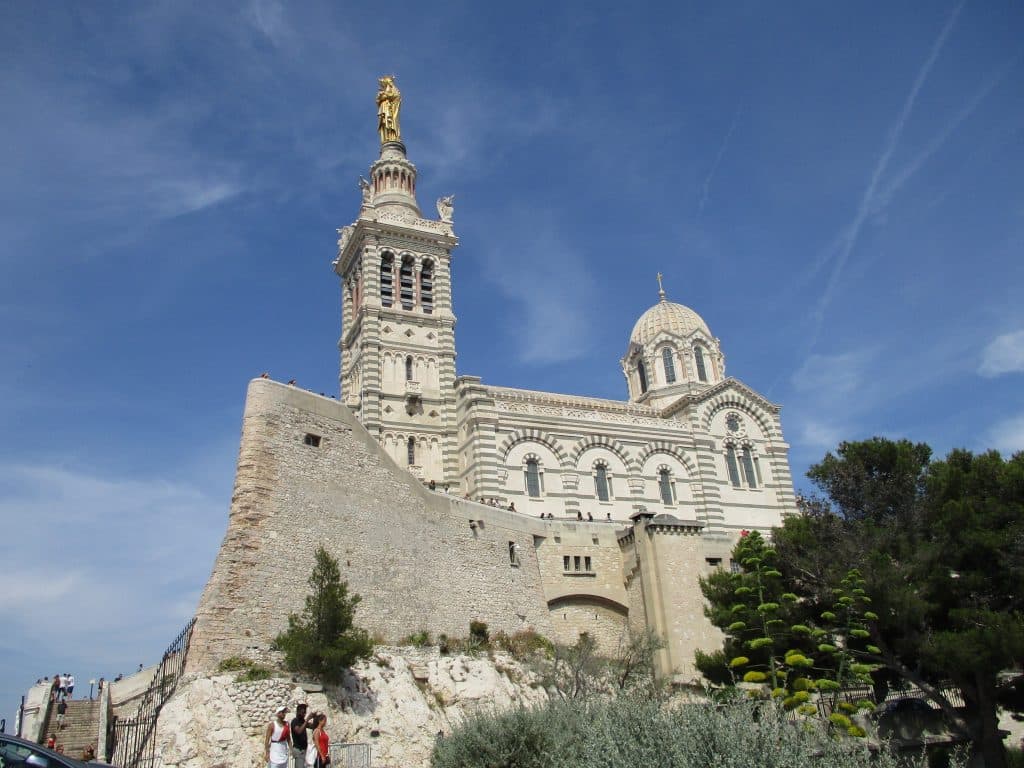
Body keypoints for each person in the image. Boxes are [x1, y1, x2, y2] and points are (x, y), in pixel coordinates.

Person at [290, 703, 309, 768]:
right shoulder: (295, 721)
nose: (304, 714)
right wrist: (306, 721)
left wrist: (315, 718)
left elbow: (312, 726)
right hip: (299, 750)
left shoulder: (302, 721)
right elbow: (299, 731)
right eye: (303, 712)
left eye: (305, 713)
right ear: (298, 712)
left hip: (304, 750)